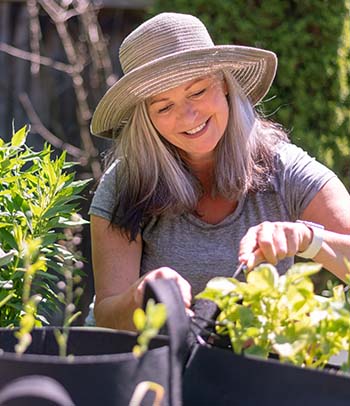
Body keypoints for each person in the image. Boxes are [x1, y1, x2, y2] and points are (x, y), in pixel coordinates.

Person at [88, 12, 350, 331]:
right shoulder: (127, 183)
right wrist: (142, 296)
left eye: (197, 91)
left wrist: (305, 238)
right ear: (147, 119)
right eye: (164, 107)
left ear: (224, 83)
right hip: (154, 368)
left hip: (255, 366)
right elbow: (106, 316)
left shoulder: (283, 168)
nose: (188, 116)